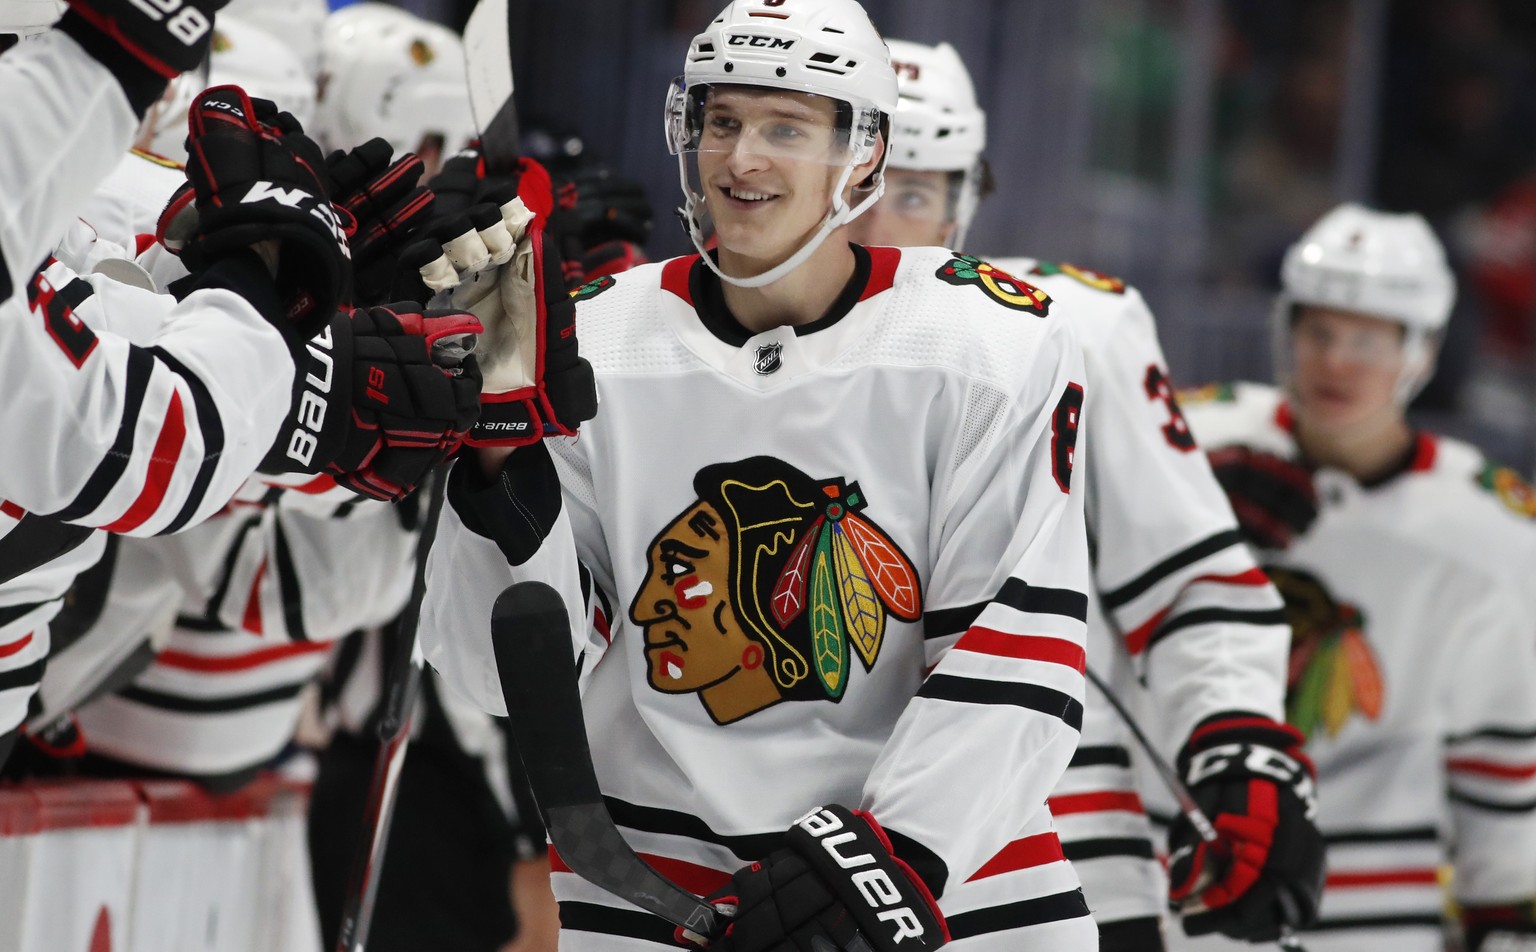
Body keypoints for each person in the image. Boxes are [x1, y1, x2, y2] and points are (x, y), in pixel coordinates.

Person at [420, 1, 1100, 948]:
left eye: (786, 128)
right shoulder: (591, 336)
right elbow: (494, 674)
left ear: (863, 152)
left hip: (944, 903)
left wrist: (891, 861)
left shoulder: (990, 342)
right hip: (657, 902)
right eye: (723, 121)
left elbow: (1015, 646)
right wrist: (494, 449)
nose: (742, 160)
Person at [847, 38, 1323, 950]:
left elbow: (1190, 580)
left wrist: (1238, 749)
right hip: (787, 837)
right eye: (863, 186)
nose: (878, 229)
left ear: (964, 202)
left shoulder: (1075, 327)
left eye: (912, 193)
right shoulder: (711, 350)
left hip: (1056, 853)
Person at [1167, 203, 1536, 952]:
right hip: (1173, 887)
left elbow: (1503, 754)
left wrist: (1508, 915)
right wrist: (1182, 510)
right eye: (1320, 333)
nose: (1337, 363)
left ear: (1421, 351)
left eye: (1368, 340)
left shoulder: (1491, 530)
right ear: (1286, 331)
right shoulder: (1182, 446)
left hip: (1367, 919)